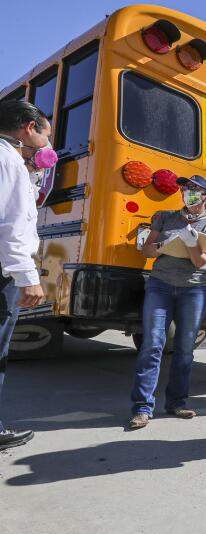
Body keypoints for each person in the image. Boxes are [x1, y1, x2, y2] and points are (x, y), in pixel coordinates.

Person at [128, 175, 206, 429]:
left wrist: (191, 242)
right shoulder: (164, 216)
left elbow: (201, 262)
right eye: (185, 188)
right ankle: (142, 408)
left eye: (194, 189)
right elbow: (147, 250)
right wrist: (164, 244)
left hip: (194, 290)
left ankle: (177, 403)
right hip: (160, 285)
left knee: (184, 349)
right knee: (152, 345)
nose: (187, 192)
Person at [0, 101, 53, 451]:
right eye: (46, 135)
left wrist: (33, 171)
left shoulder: (14, 162)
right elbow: (12, 226)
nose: (48, 145)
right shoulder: (8, 161)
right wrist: (27, 276)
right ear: (28, 128)